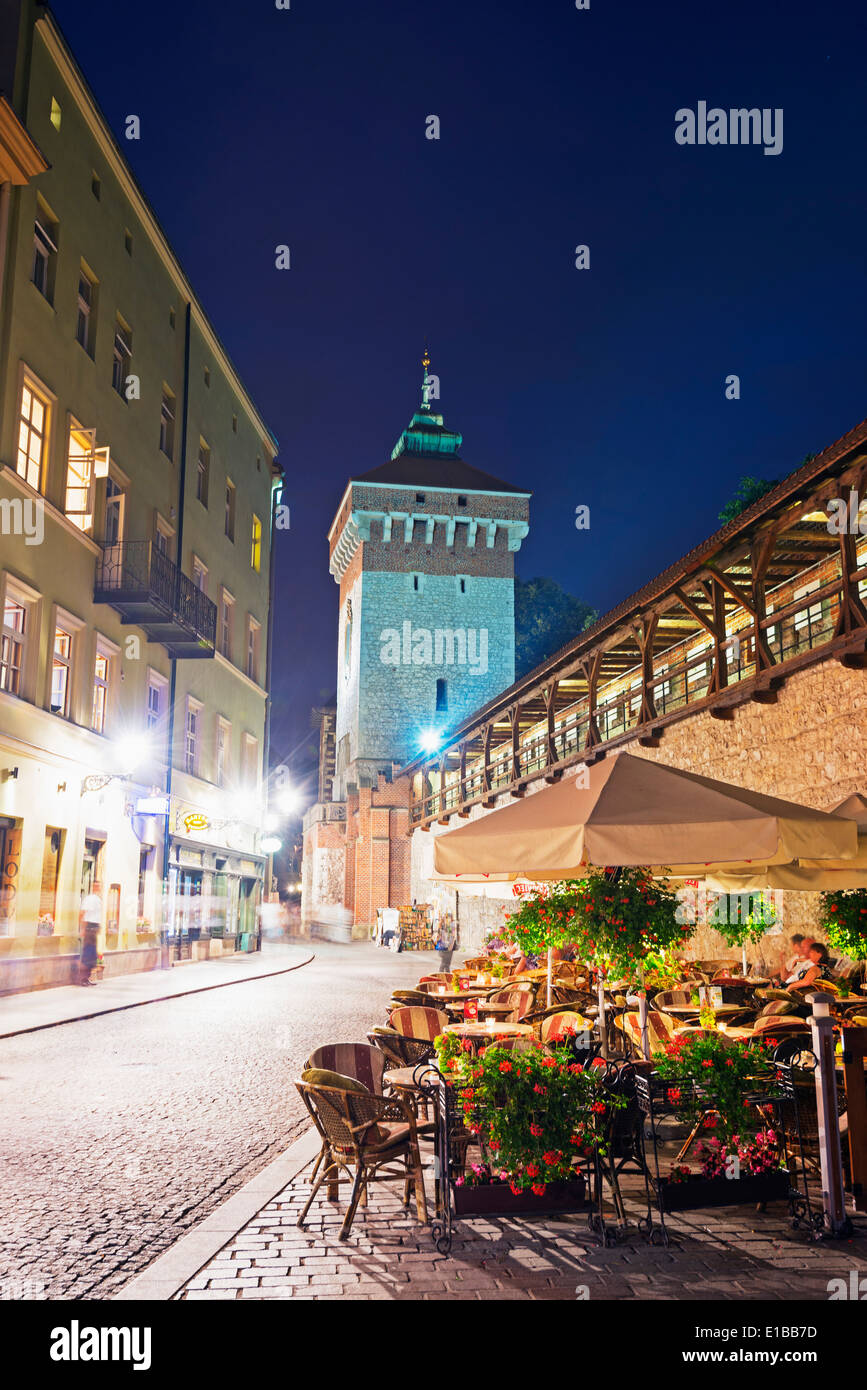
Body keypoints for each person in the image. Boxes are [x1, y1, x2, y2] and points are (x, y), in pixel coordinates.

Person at [79, 890, 101, 986]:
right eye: (97, 887)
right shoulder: (89, 899)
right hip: (89, 927)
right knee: (88, 953)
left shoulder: (98, 899)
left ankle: (87, 978)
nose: (99, 889)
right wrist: (83, 928)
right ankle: (83, 979)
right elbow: (82, 913)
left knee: (92, 954)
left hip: (93, 928)